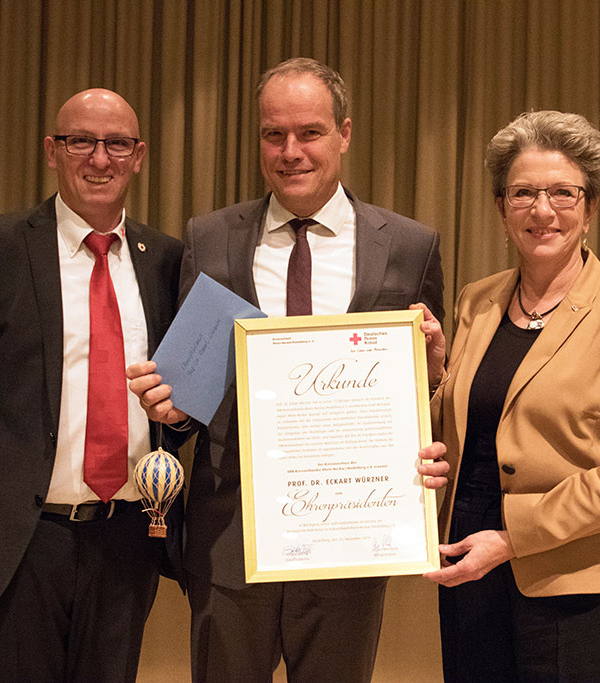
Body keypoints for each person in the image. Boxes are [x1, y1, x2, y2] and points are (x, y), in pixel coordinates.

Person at [128, 57, 449, 682]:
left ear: (345, 133)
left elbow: (425, 385)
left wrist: (434, 375)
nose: (291, 151)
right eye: (274, 134)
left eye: (310, 132)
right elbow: (193, 393)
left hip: (350, 536)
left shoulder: (410, 245)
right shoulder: (211, 237)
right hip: (230, 534)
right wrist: (170, 405)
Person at [0, 88, 184, 682]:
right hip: (17, 538)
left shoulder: (165, 259)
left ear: (139, 156)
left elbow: (181, 400)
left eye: (116, 144)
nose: (99, 159)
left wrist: (179, 415)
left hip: (128, 536)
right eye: (80, 141)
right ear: (52, 151)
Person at [425, 110, 600, 682]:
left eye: (563, 193)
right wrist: (436, 373)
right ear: (500, 207)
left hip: (586, 586)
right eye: (523, 193)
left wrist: (515, 536)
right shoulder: (477, 299)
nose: (543, 211)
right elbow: (466, 432)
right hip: (471, 566)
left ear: (591, 207)